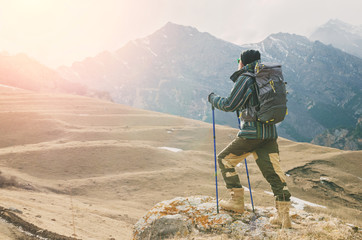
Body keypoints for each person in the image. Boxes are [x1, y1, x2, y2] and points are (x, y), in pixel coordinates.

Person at [208, 50, 292, 228]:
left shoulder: (245, 78)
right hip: (269, 133)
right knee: (274, 174)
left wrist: (213, 99)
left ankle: (237, 202)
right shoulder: (267, 76)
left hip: (252, 134)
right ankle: (284, 218)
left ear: (243, 62)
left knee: (224, 159)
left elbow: (230, 104)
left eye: (238, 60)